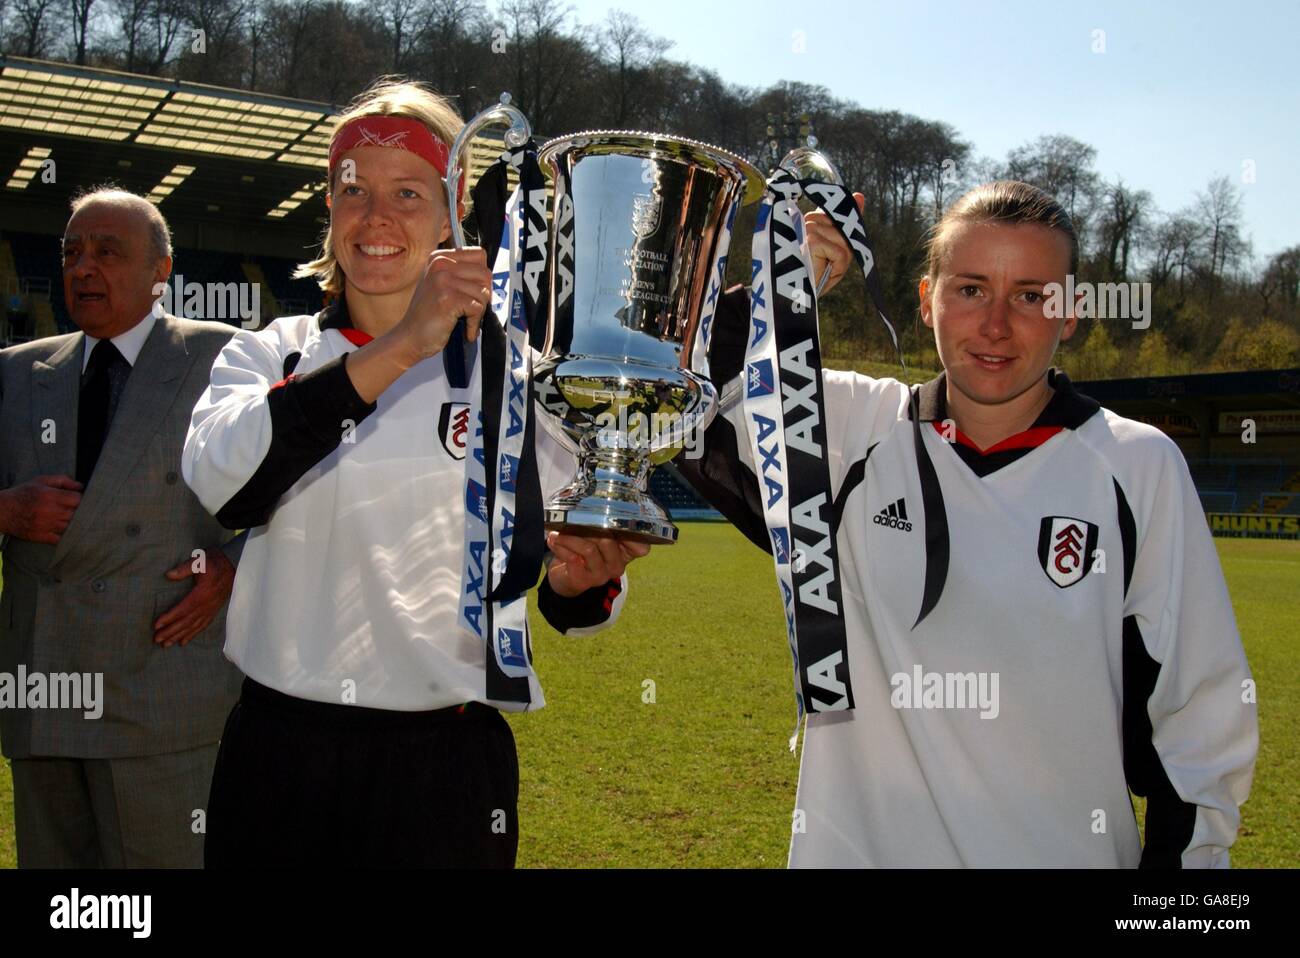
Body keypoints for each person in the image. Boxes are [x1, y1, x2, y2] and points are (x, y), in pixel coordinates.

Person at [678, 180, 1257, 867]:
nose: (996, 325)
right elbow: (675, 395)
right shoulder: (844, 430)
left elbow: (1197, 732)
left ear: (1070, 312)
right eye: (971, 289)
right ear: (928, 302)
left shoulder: (1135, 467)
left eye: (1031, 295)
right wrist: (781, 286)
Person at [182, 78, 648, 868]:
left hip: (445, 767)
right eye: (353, 190)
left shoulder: (514, 374)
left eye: (408, 192)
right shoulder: (273, 351)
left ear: (450, 215)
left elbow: (574, 584)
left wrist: (582, 579)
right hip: (280, 755)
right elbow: (226, 485)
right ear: (328, 210)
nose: (376, 217)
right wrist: (400, 349)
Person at [0, 188, 244, 868]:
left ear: (162, 270)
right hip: (41, 684)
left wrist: (233, 566)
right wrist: (7, 510)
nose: (83, 268)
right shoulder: (17, 372)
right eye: (71, 252)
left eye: (108, 252)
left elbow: (302, 495)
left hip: (163, 691)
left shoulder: (225, 358)